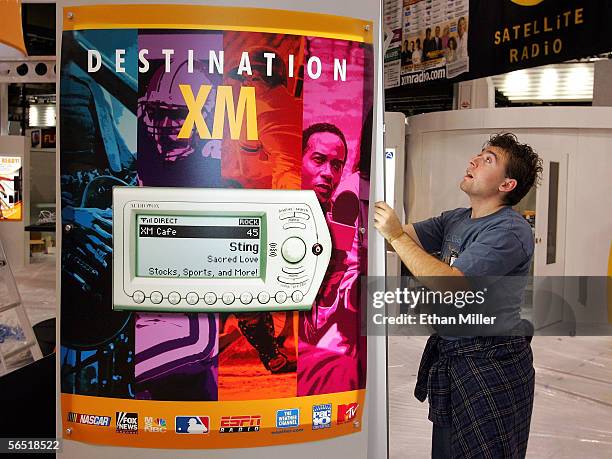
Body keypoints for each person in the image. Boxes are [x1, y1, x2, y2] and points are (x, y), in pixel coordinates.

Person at [374, 133, 542, 458]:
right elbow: (393, 240)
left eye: (488, 159)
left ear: (507, 185)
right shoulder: (456, 219)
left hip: (491, 365)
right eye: (479, 154)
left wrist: (395, 234)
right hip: (456, 360)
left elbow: (452, 284)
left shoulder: (509, 230)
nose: (474, 161)